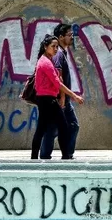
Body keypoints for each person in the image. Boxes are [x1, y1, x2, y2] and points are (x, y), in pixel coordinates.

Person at [31, 34, 84, 160]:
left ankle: (35, 157)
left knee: (43, 128)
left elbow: (56, 79)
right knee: (62, 127)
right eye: (53, 46)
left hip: (46, 99)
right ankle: (65, 156)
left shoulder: (46, 60)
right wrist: (74, 96)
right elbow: (57, 83)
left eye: (56, 46)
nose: (55, 49)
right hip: (48, 100)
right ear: (45, 47)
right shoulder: (45, 62)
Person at [40, 24, 79, 159]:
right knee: (56, 128)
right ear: (61, 37)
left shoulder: (62, 52)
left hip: (62, 100)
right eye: (69, 35)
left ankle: (64, 154)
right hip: (59, 99)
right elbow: (57, 76)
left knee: (68, 126)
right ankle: (48, 155)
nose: (72, 37)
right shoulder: (59, 54)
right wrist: (62, 97)